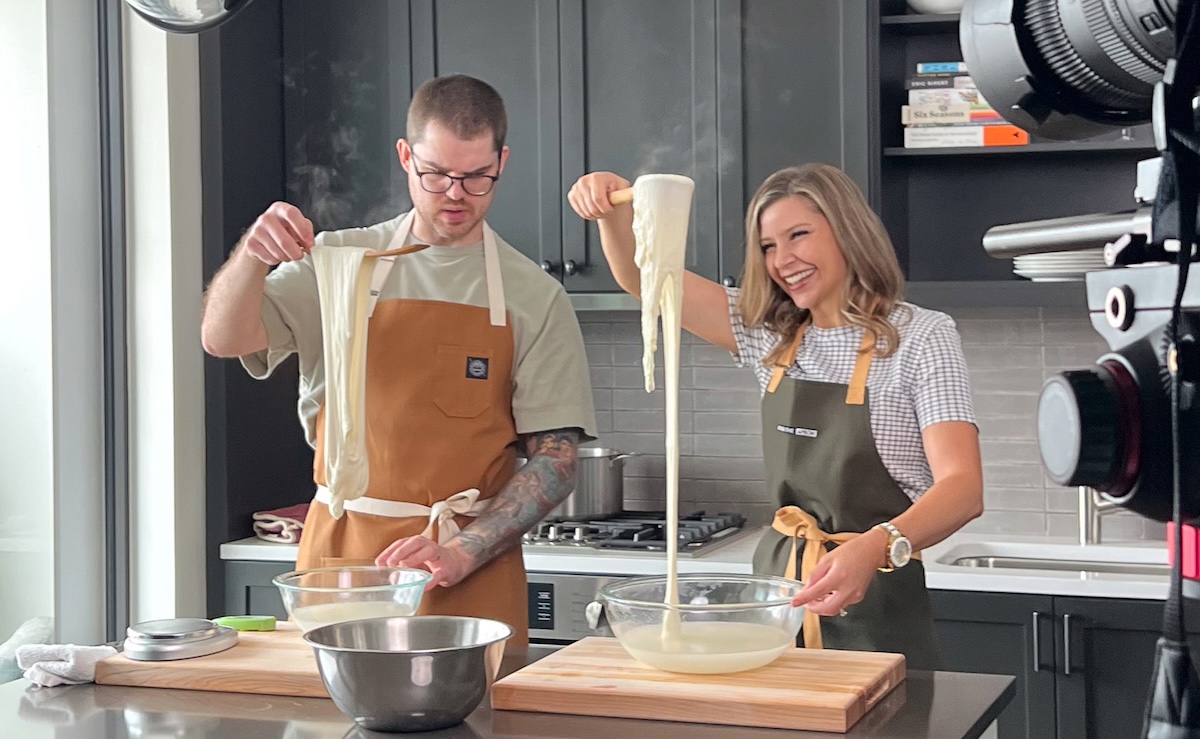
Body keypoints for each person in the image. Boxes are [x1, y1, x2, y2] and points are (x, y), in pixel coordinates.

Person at [202, 75, 598, 647]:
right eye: (436, 174)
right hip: (343, 565)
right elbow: (222, 337)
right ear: (405, 157)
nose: (456, 193)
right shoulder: (338, 263)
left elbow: (555, 461)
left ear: (502, 162)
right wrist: (250, 257)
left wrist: (462, 551)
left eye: (476, 177)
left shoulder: (534, 296)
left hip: (468, 575)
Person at [567, 163, 983, 669]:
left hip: (877, 597)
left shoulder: (922, 337)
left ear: (847, 230)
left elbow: (962, 488)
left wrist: (874, 547)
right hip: (779, 602)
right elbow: (646, 279)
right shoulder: (770, 332)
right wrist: (612, 212)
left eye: (798, 235)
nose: (783, 260)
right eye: (768, 246)